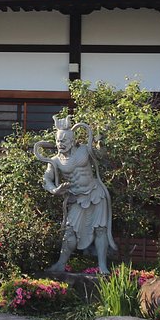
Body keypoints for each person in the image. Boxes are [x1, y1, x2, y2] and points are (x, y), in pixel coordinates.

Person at [34, 115, 116, 273]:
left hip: (95, 193)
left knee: (101, 229)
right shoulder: (55, 160)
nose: (60, 144)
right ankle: (61, 263)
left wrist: (101, 139)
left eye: (64, 141)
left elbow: (100, 154)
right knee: (70, 231)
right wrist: (54, 190)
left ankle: (102, 266)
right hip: (77, 198)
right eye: (58, 141)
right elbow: (46, 179)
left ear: (72, 141)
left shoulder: (85, 150)